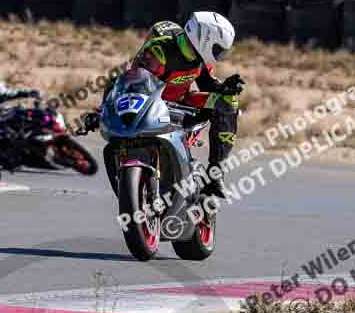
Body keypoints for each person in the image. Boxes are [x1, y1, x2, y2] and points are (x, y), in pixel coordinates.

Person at [82, 12, 245, 198]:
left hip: (181, 103)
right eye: (218, 49)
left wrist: (226, 88)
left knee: (228, 102)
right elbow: (134, 83)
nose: (219, 55)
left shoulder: (200, 60)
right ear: (205, 39)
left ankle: (215, 173)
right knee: (114, 81)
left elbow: (210, 86)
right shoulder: (160, 50)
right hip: (150, 105)